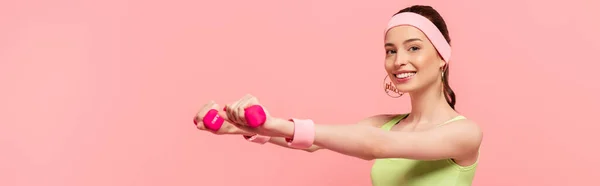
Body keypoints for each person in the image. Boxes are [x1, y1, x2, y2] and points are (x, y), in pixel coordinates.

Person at [194, 5, 482, 186]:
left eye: (414, 48)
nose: (398, 60)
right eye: (391, 50)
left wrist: (279, 124)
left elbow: (377, 147)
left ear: (442, 56)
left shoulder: (465, 133)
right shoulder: (384, 124)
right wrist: (239, 127)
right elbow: (313, 143)